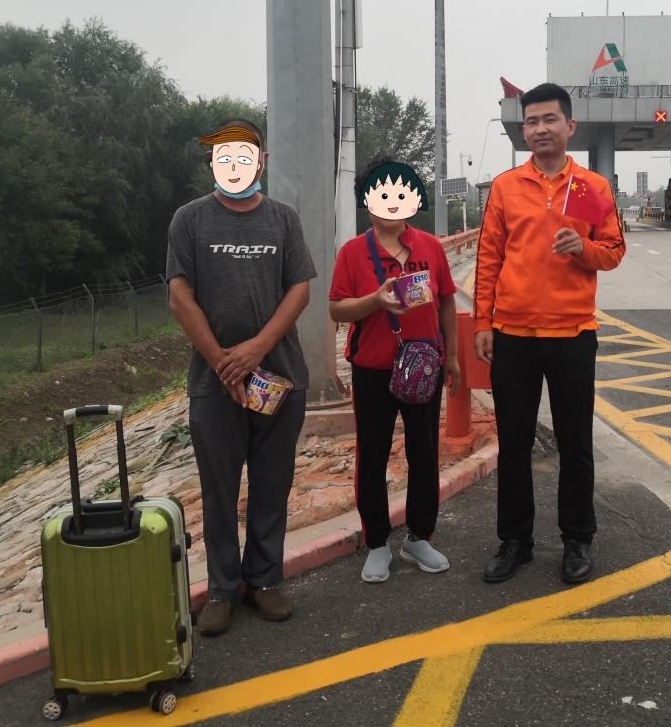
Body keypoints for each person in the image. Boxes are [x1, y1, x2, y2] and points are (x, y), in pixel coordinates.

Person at [166, 118, 316, 637]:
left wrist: (255, 350)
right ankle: (223, 589)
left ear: (262, 161)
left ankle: (264, 580)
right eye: (225, 156)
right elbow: (179, 297)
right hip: (214, 385)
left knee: (272, 485)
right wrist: (222, 360)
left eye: (245, 155)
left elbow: (300, 290)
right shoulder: (189, 220)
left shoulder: (283, 220)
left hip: (279, 378)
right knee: (219, 490)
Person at [474, 83, 625, 585]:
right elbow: (489, 258)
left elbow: (613, 252)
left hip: (572, 333)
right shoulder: (506, 187)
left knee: (575, 444)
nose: (540, 129)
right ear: (524, 130)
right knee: (514, 444)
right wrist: (483, 322)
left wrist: (583, 249)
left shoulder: (590, 188)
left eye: (549, 119)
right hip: (513, 334)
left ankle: (577, 540)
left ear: (570, 126)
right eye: (531, 121)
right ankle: (514, 541)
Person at [328, 158, 460, 583]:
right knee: (373, 453)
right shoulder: (353, 252)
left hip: (423, 366)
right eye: (383, 194)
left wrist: (452, 357)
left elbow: (445, 301)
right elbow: (336, 309)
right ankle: (377, 543)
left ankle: (420, 536)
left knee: (424, 451)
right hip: (372, 369)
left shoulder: (430, 247)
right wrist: (375, 301)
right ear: (368, 201)